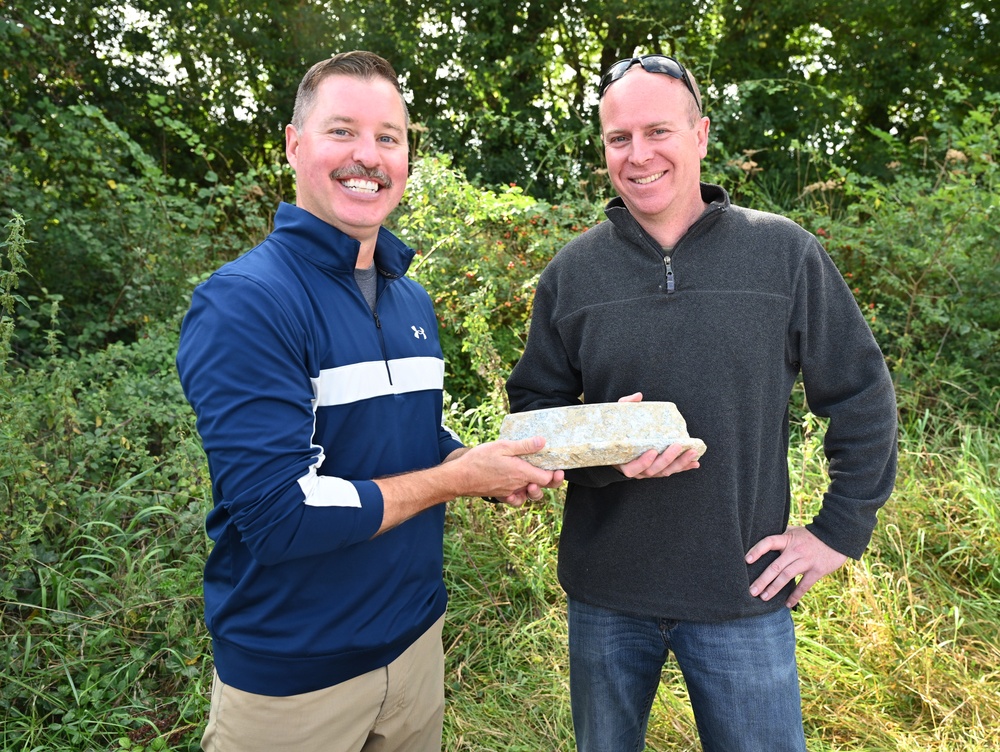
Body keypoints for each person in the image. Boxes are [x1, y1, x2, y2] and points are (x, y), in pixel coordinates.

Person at [505, 54, 898, 752]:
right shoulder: (572, 273)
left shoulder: (782, 254)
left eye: (658, 130)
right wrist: (606, 453)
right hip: (606, 596)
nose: (638, 154)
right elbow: (533, 408)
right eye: (618, 138)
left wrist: (838, 531)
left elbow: (862, 393)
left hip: (739, 591)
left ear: (701, 135)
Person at [176, 51, 563, 752]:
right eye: (342, 131)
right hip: (295, 681)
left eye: (389, 137)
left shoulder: (408, 294)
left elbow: (407, 435)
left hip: (415, 649)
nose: (368, 156)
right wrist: (456, 480)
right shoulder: (247, 302)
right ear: (295, 145)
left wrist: (482, 466)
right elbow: (280, 516)